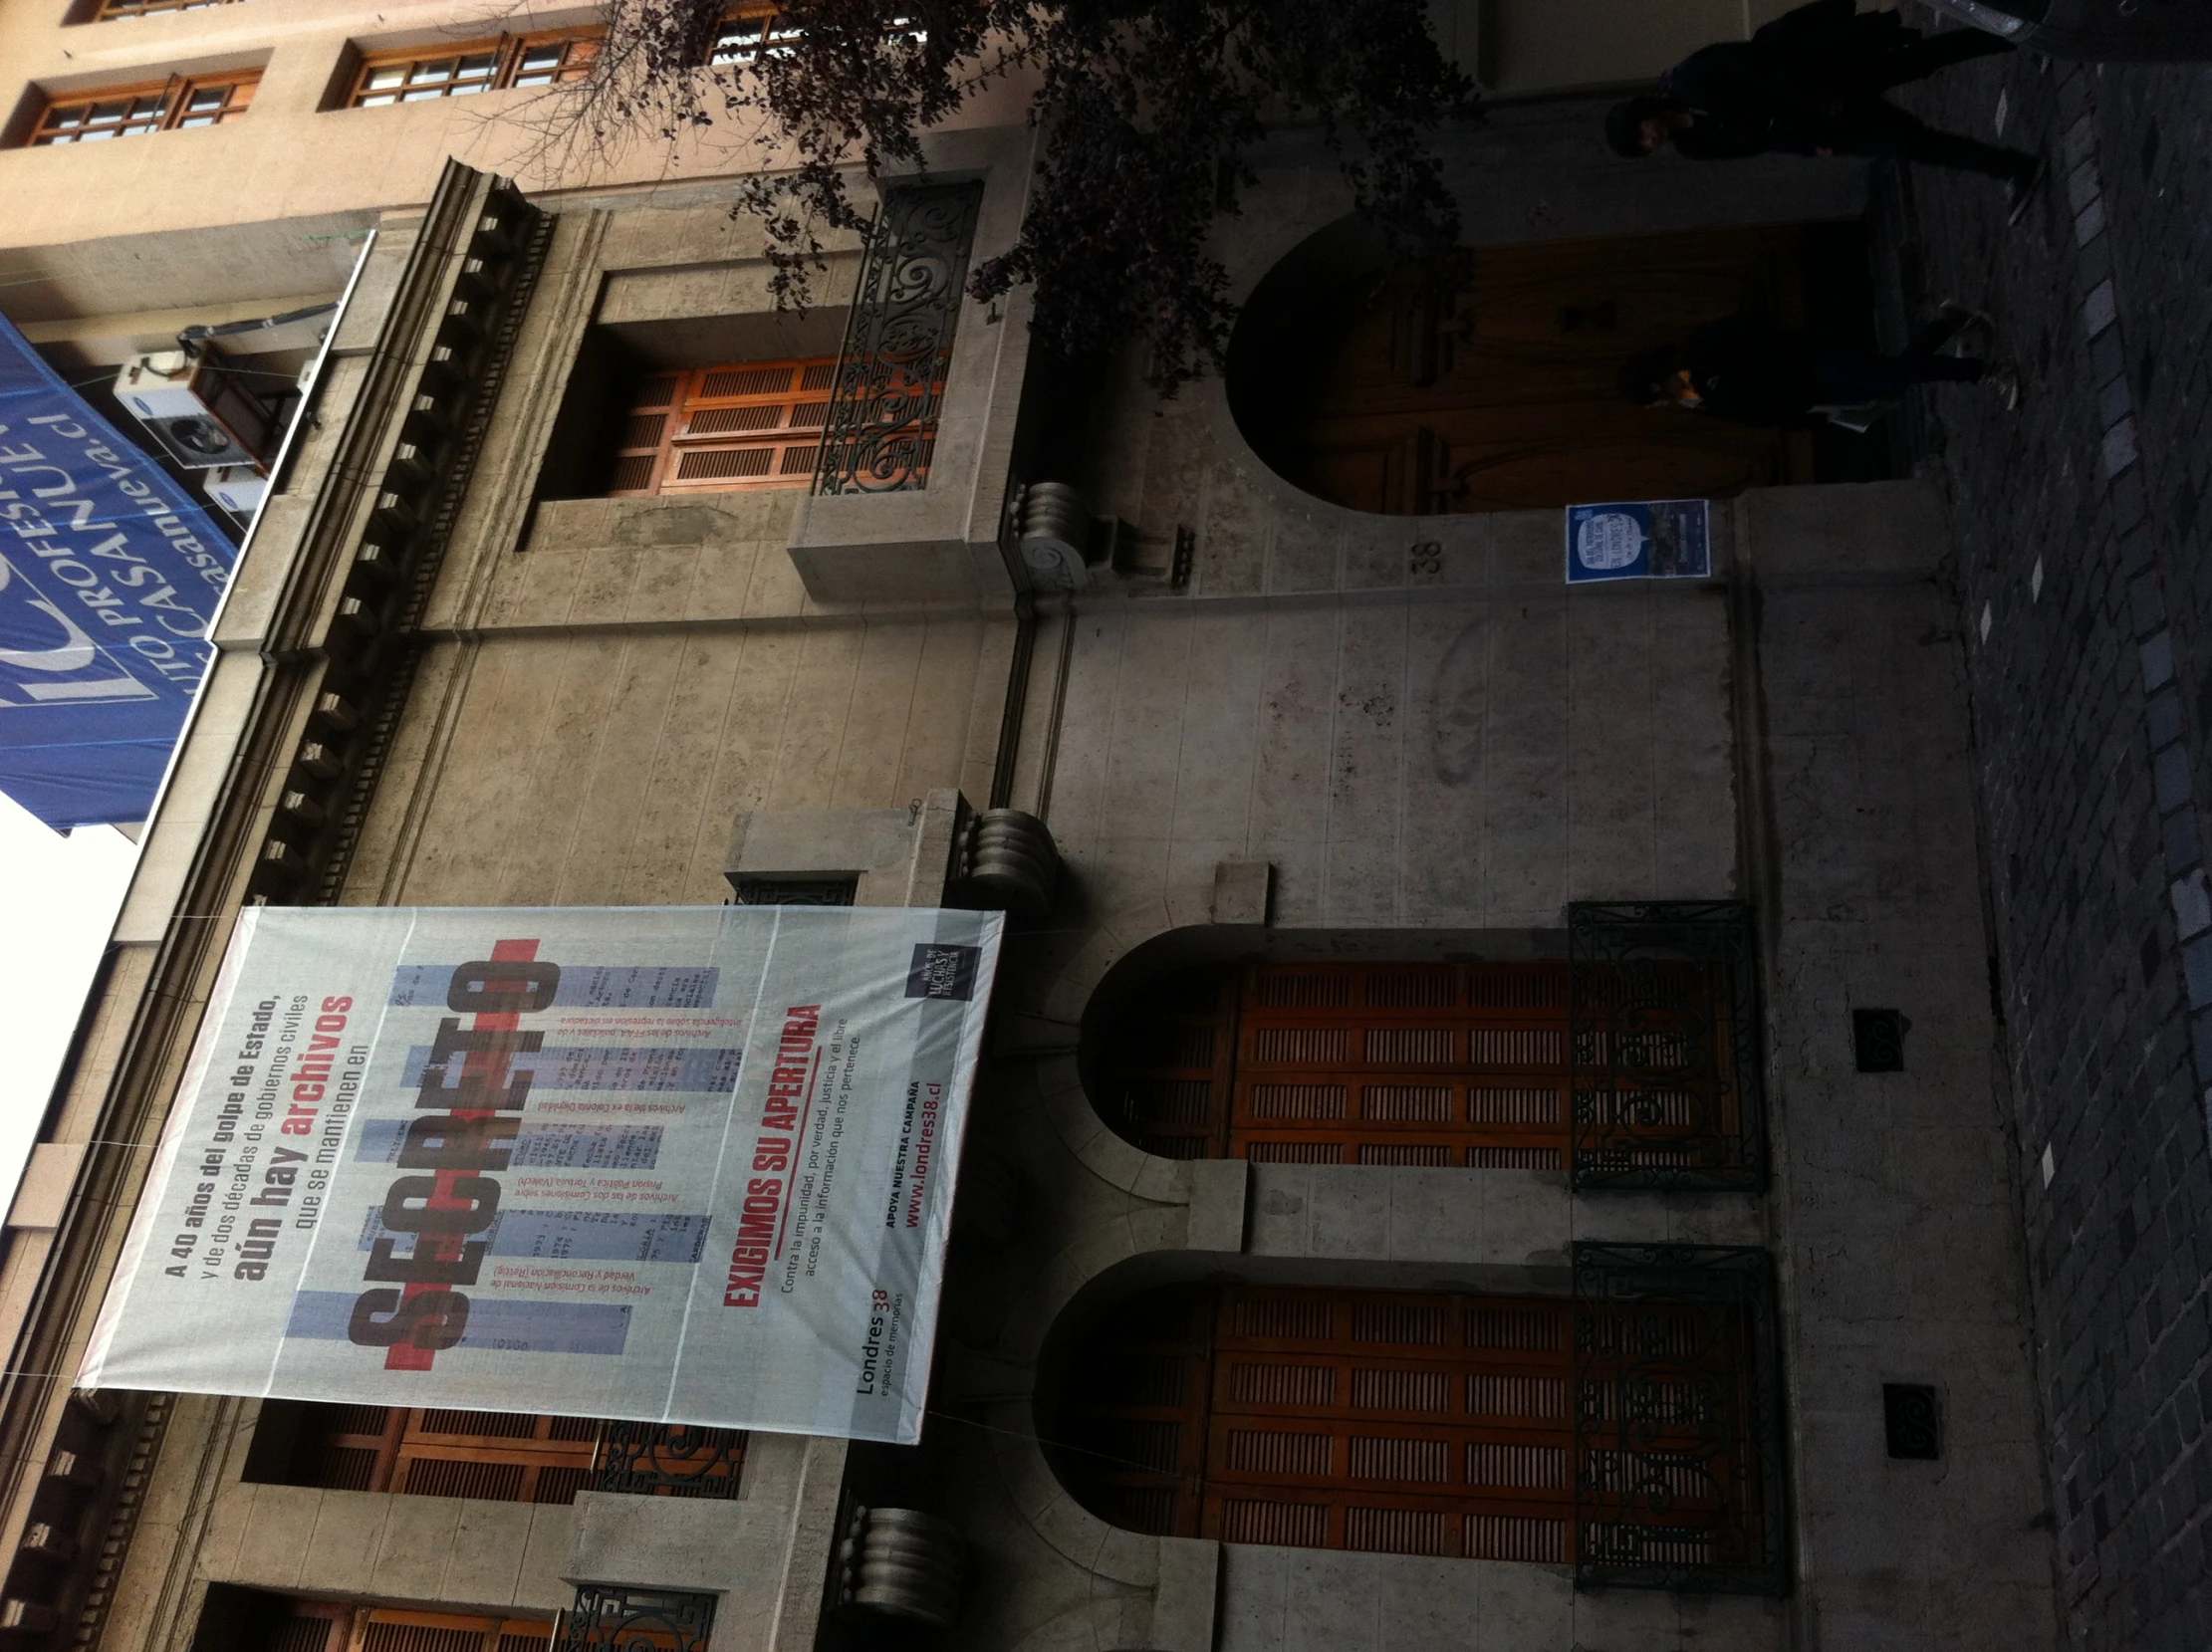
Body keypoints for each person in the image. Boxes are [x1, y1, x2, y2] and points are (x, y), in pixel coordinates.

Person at [1606, 0, 2045, 221]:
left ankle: (2026, 33)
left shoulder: (1690, 80)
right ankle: (2014, 167)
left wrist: (1814, 100)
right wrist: (1810, 146)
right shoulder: (1694, 146)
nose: (1651, 140)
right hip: (1824, 127)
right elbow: (1758, 140)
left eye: (1642, 133)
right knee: (1916, 144)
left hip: (1828, 81)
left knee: (1923, 60)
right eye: (1644, 146)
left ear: (1643, 113)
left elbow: (1762, 69)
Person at [1616, 306, 2019, 427]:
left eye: (1648, 401)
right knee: (1891, 384)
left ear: (1654, 387)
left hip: (1810, 361)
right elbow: (1755, 413)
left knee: (1896, 375)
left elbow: (1752, 323)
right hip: (1810, 393)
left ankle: (1985, 372)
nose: (1655, 408)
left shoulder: (1698, 352)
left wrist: (1758, 361)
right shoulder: (1693, 403)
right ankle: (1948, 322)